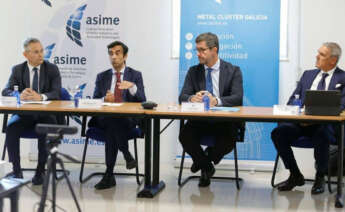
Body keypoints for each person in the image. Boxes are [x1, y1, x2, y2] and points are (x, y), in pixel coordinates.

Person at [271, 42, 345, 194]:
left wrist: (315, 118)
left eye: (322, 54)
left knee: (321, 132)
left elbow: (341, 105)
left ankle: (320, 176)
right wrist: (301, 115)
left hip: (324, 126)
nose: (317, 56)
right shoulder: (308, 74)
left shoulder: (342, 78)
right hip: (300, 123)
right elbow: (292, 100)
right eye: (318, 52)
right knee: (278, 132)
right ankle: (295, 175)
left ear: (333, 60)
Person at [179, 32, 243, 187]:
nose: (198, 54)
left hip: (224, 121)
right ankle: (206, 165)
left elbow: (237, 97)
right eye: (197, 50)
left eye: (202, 50)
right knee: (185, 136)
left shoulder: (233, 70)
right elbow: (182, 96)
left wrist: (217, 101)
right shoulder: (193, 71)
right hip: (199, 121)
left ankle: (203, 162)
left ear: (214, 50)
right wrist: (191, 98)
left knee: (229, 140)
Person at [2, 38, 62, 185]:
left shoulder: (52, 69)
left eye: (42, 51)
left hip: (46, 115)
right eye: (36, 52)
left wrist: (40, 96)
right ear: (26, 55)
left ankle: (40, 171)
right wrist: (19, 94)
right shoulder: (17, 69)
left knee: (45, 129)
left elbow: (57, 92)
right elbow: (6, 91)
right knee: (11, 127)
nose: (41, 54)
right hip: (24, 115)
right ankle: (17, 170)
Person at [88, 41, 146, 190]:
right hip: (104, 119)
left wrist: (132, 87)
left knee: (113, 126)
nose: (113, 57)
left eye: (117, 53)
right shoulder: (102, 76)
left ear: (125, 55)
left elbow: (142, 99)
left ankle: (109, 175)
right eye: (111, 53)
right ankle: (126, 153)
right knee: (112, 122)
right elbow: (94, 100)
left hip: (127, 120)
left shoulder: (135, 75)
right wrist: (104, 100)